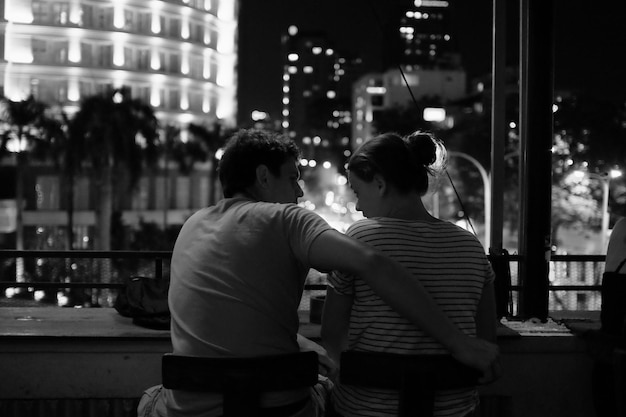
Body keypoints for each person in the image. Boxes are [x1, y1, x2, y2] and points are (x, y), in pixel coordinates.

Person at [150, 129, 498, 417]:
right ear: (262, 176)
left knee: (151, 398)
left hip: (188, 409)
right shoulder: (287, 218)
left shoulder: (191, 224)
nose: (299, 192)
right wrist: (459, 344)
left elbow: (329, 334)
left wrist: (305, 344)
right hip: (282, 409)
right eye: (292, 178)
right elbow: (373, 264)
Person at [321, 132, 499, 417]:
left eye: (357, 192)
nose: (357, 207)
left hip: (366, 410)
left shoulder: (361, 238)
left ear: (379, 184)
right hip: (455, 410)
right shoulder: (470, 245)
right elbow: (487, 339)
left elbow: (331, 334)